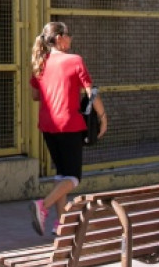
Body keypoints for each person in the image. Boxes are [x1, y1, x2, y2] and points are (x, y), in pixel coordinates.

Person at [28, 21, 107, 236]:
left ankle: (61, 224)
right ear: (60, 38)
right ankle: (43, 205)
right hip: (69, 124)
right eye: (69, 35)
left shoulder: (40, 62)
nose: (71, 39)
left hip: (48, 125)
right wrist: (103, 117)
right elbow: (91, 93)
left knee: (61, 174)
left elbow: (35, 95)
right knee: (74, 178)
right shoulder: (75, 61)